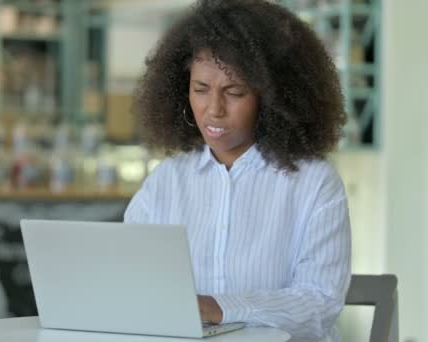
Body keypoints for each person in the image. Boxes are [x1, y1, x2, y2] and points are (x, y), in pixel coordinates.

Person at [124, 0, 350, 341]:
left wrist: (220, 306)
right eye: (200, 90)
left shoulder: (314, 183)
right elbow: (129, 281)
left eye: (235, 92)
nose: (213, 110)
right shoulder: (166, 182)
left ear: (273, 98)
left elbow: (320, 302)